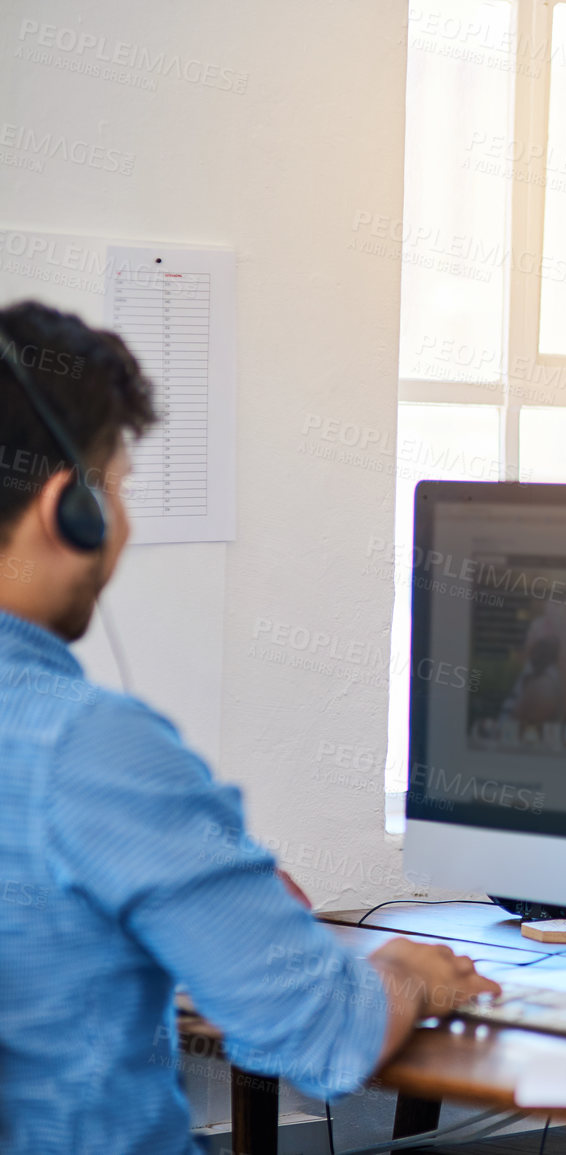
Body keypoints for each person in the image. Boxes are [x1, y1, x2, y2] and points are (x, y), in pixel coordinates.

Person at [0, 300, 500, 1153]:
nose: (122, 524)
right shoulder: (89, 748)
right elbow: (319, 1032)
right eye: (116, 490)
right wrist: (405, 974)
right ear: (68, 509)